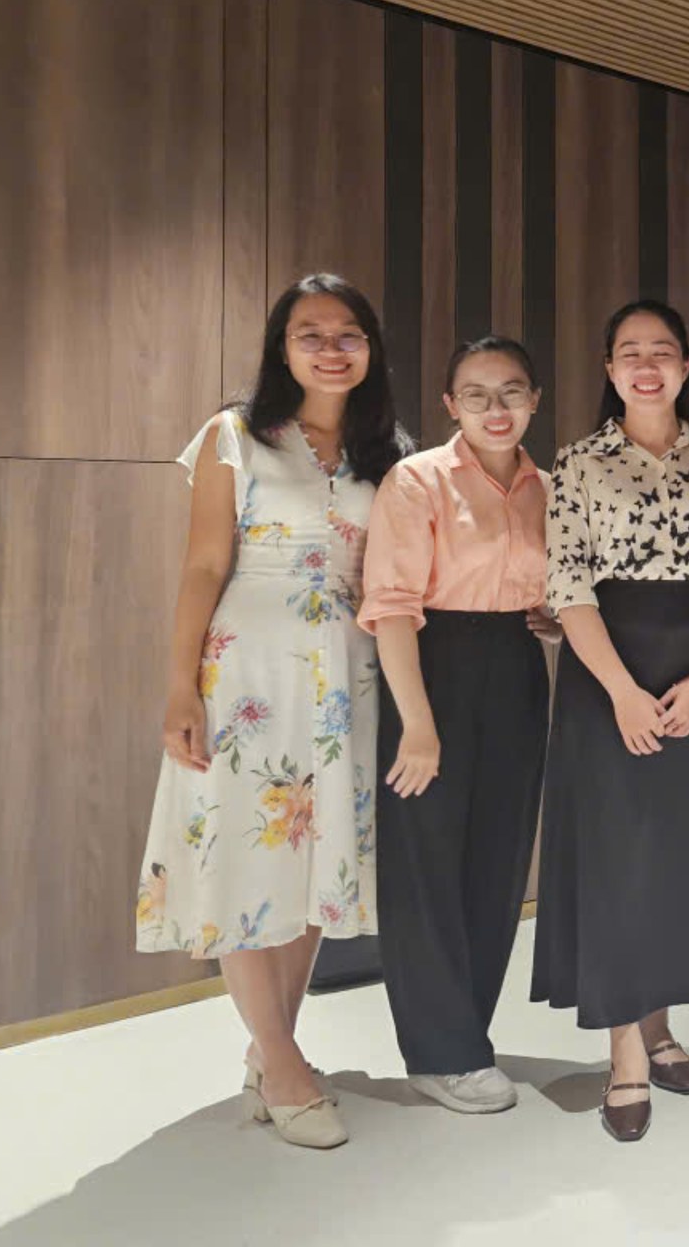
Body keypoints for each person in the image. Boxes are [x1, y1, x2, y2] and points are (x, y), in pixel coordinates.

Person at [137, 273, 408, 1150]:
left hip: (347, 675)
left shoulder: (387, 450)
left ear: (370, 349)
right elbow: (202, 566)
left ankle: (271, 1051)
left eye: (348, 334)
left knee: (311, 868)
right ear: (280, 349)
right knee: (246, 863)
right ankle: (286, 1067)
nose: (331, 349)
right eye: (309, 334)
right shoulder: (235, 436)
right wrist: (181, 686)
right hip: (248, 672)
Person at [531, 301, 689, 1142]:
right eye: (630, 353)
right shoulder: (577, 464)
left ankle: (662, 1024)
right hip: (608, 677)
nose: (647, 366)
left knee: (674, 856)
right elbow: (568, 589)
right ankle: (625, 1054)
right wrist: (621, 693)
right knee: (618, 859)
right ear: (609, 369)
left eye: (663, 351)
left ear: (687, 365)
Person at [357, 337, 554, 1115]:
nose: (495, 409)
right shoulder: (417, 481)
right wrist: (418, 725)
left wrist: (549, 619)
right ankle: (439, 1053)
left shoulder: (547, 486)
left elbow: (549, 588)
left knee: (498, 858)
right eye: (476, 394)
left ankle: (467, 1034)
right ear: (450, 405)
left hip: (516, 668)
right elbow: (391, 608)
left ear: (535, 399)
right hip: (432, 665)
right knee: (426, 861)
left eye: (511, 392)